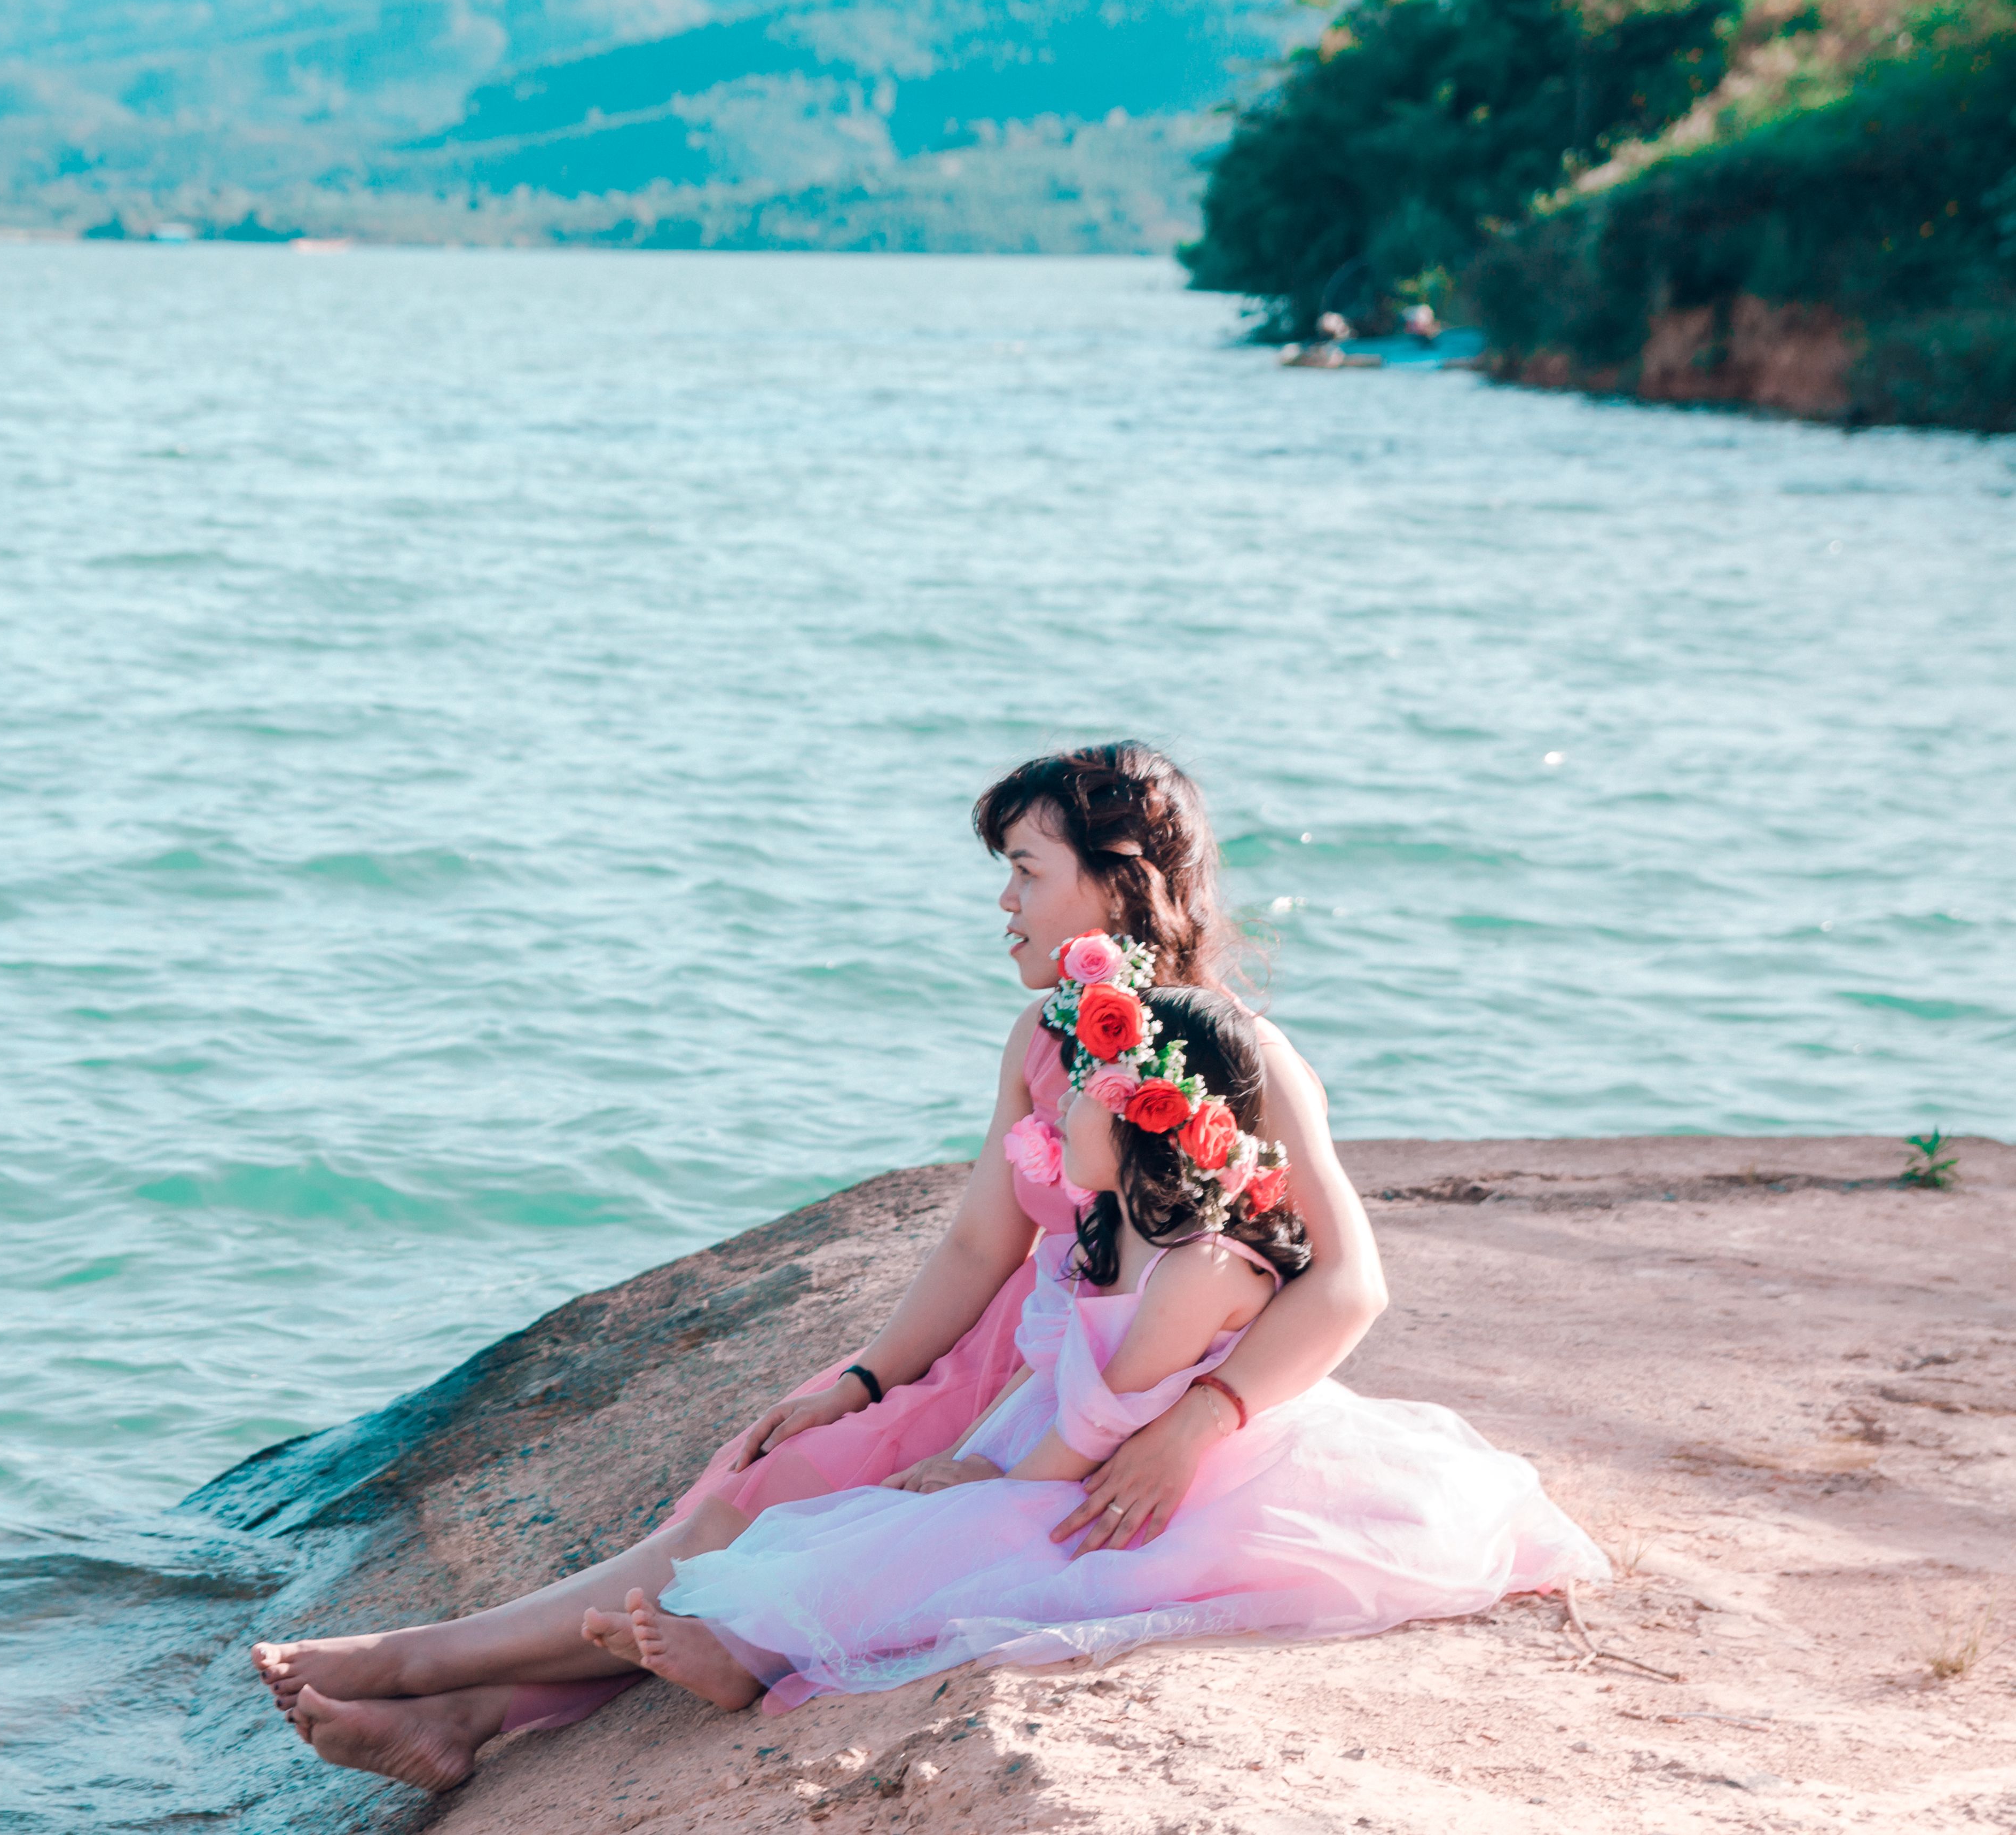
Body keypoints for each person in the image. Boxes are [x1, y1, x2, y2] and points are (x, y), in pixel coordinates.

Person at [254, 743, 1391, 1791]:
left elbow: (1345, 1283)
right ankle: (469, 1714)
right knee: (753, 1494)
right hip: (1007, 1351)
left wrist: (1194, 1422)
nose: (1003, 901)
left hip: (1103, 1377)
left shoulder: (1239, 1056)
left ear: (1119, 884)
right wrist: (863, 1380)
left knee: (747, 1529)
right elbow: (979, 1243)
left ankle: (413, 1664)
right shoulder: (1045, 1035)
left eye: (1026, 871)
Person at [585, 982, 1602, 1712]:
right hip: (1072, 1444)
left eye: (1084, 1092)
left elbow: (1096, 1423)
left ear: (1147, 1119)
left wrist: (987, 1487)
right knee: (904, 1518)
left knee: (969, 1546)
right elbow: (1053, 1379)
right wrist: (971, 1459)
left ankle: (747, 1655)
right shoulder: (1112, 1230)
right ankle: (742, 1632)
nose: (1061, 1108)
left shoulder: (1200, 1268)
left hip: (1142, 1472)